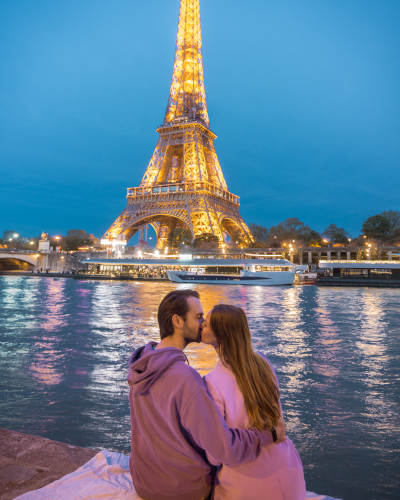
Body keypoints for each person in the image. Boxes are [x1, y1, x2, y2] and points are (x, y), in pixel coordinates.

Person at [127, 290, 286, 500]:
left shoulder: (141, 363)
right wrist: (270, 434)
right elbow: (223, 450)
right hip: (181, 490)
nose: (202, 323)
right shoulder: (186, 377)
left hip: (144, 482)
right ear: (177, 321)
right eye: (198, 317)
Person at [202, 304, 306, 500]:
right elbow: (279, 424)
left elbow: (215, 455)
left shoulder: (212, 381)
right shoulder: (264, 364)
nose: (201, 327)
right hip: (290, 472)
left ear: (220, 335)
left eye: (206, 324)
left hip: (248, 482)